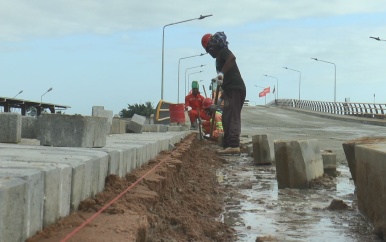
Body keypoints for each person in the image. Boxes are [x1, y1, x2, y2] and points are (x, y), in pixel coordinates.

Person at [201, 32, 246, 154]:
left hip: (235, 88)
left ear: (212, 47)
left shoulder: (223, 52)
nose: (209, 54)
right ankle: (227, 144)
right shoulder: (219, 57)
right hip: (230, 89)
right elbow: (225, 86)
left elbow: (232, 58)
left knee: (232, 116)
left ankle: (233, 145)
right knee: (226, 116)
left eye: (208, 51)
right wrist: (219, 102)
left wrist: (221, 74)